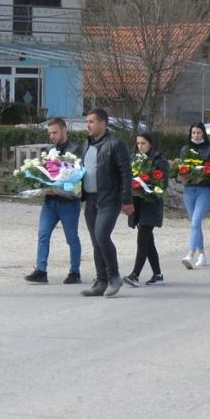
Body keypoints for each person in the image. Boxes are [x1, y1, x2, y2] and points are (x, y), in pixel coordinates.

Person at [80, 108, 133, 298]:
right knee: (96, 242)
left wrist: (127, 200)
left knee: (102, 236)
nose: (88, 125)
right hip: (90, 200)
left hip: (109, 200)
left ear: (103, 123)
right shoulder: (85, 143)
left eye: (92, 121)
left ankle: (114, 277)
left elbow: (126, 173)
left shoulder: (115, 144)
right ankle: (101, 280)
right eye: (87, 121)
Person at [24, 118, 83, 285]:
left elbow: (78, 177)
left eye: (55, 132)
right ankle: (41, 270)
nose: (52, 136)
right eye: (50, 133)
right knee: (43, 235)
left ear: (64, 130)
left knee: (71, 238)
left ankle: (75, 272)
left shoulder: (76, 150)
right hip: (50, 201)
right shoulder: (49, 150)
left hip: (68, 203)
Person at [123, 132, 168, 287]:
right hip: (138, 203)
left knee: (143, 238)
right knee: (148, 240)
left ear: (150, 144)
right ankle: (157, 273)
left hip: (151, 203)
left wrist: (147, 186)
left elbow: (162, 183)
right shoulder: (133, 158)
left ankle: (135, 274)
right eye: (138, 144)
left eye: (143, 143)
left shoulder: (159, 160)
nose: (140, 146)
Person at [178, 122, 210, 269]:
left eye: (199, 133)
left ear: (203, 134)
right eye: (193, 133)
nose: (196, 135)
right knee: (195, 224)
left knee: (195, 222)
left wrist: (204, 170)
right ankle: (203, 255)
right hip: (188, 190)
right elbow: (181, 168)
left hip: (204, 190)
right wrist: (182, 173)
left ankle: (190, 254)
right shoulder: (185, 149)